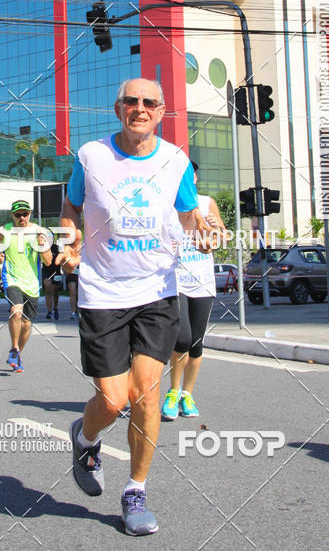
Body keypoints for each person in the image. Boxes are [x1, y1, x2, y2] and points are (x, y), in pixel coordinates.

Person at [58, 78, 216, 536]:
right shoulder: (91, 156)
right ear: (118, 108)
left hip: (157, 291)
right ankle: (85, 438)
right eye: (132, 101)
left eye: (149, 102)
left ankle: (135, 490)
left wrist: (202, 230)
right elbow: (71, 208)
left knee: (147, 393)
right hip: (103, 292)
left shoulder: (175, 161)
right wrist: (70, 245)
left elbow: (188, 214)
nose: (140, 108)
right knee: (113, 400)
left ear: (162, 111)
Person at [161, 162, 225, 421]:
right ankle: (172, 392)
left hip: (202, 280)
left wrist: (215, 232)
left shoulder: (207, 202)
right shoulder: (165, 205)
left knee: (196, 343)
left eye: (189, 175)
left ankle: (187, 394)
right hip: (174, 280)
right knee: (183, 338)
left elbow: (221, 234)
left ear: (194, 179)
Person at [2, 199, 52, 372]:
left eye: (25, 214)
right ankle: (14, 347)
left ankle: (17, 354)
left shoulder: (39, 231)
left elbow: (48, 261)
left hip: (32, 283)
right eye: (18, 215)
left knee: (27, 325)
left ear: (29, 213)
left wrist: (42, 244)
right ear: (12, 216)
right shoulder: (5, 231)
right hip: (12, 278)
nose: (22, 217)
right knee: (16, 310)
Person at [41, 244, 62, 320]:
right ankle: (49, 310)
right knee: (48, 291)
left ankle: (55, 308)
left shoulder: (57, 248)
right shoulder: (43, 248)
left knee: (55, 292)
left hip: (56, 272)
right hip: (46, 272)